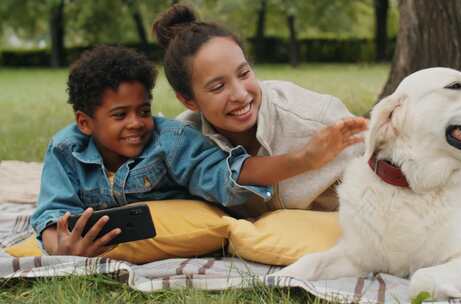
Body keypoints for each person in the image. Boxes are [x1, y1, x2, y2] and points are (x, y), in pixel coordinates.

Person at [30, 45, 366, 257]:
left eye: (143, 110)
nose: (136, 123)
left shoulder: (173, 140)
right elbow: (52, 210)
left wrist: (304, 161)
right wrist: (61, 246)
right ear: (85, 123)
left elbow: (228, 175)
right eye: (120, 115)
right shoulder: (65, 149)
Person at [153, 5, 368, 217]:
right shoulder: (185, 140)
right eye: (218, 87)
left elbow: (389, 165)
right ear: (188, 100)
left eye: (244, 73)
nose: (240, 94)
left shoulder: (317, 121)